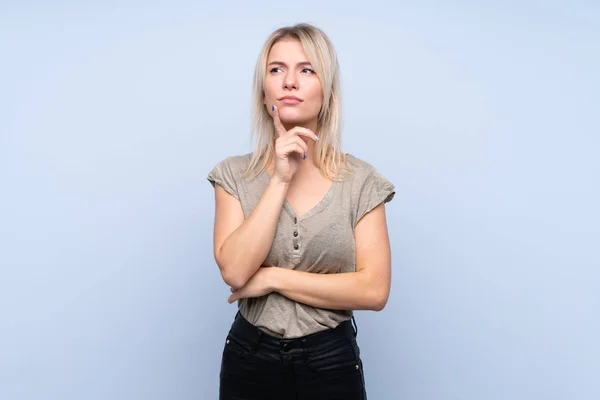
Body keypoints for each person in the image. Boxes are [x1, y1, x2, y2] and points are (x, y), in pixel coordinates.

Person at [207, 23, 395, 400]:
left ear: (326, 93)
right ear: (264, 92)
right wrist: (278, 179)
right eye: (276, 69)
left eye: (306, 70)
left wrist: (274, 278)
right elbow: (236, 270)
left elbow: (374, 290)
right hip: (250, 356)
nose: (290, 81)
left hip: (331, 360)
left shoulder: (360, 181)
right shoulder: (233, 174)